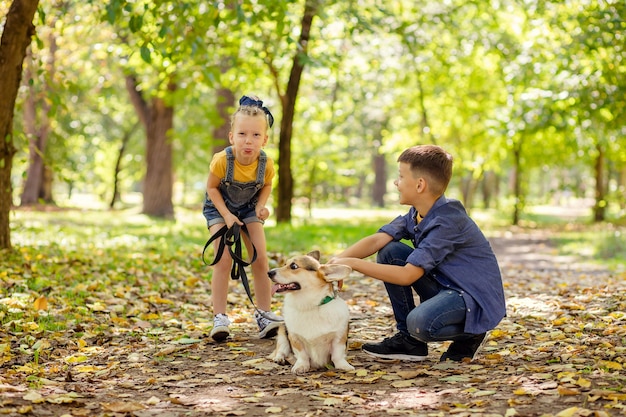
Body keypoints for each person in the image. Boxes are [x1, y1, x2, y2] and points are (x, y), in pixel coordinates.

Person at [330, 145, 506, 362]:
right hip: (447, 286)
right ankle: (409, 343)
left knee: (420, 324)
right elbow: (378, 240)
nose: (396, 182)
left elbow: (407, 276)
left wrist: (353, 264)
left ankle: (472, 333)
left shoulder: (447, 220)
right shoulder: (418, 213)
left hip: (471, 297)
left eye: (401, 176)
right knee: (390, 251)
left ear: (420, 184)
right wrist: (336, 262)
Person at [203, 95, 281, 342]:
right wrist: (226, 215)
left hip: (248, 208)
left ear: (265, 139)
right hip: (220, 207)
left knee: (260, 258)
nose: (249, 141)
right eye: (243, 134)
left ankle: (264, 314)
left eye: (256, 135)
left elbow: (266, 185)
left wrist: (261, 206)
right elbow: (212, 189)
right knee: (223, 260)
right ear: (231, 136)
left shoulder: (266, 163)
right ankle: (220, 318)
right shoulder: (221, 160)